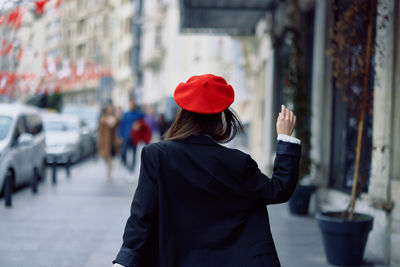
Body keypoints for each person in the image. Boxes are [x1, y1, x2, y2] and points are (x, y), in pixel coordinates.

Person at [113, 74, 301, 267]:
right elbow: (278, 189)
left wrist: (124, 261)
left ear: (182, 114)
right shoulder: (237, 162)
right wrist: (285, 139)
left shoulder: (157, 156)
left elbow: (142, 216)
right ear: (221, 118)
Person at [118, 99, 144, 170]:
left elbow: (143, 124)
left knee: (134, 153)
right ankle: (126, 164)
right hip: (126, 136)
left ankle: (132, 167)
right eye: (130, 104)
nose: (131, 105)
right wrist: (120, 136)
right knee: (123, 152)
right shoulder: (126, 114)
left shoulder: (139, 114)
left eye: (132, 104)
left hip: (135, 137)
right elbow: (122, 125)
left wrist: (139, 125)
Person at [97, 104, 118, 180]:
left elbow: (112, 124)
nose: (110, 110)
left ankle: (109, 174)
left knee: (109, 157)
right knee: (104, 156)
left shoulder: (112, 117)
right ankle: (111, 165)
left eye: (111, 108)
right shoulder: (103, 117)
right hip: (103, 140)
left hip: (110, 141)